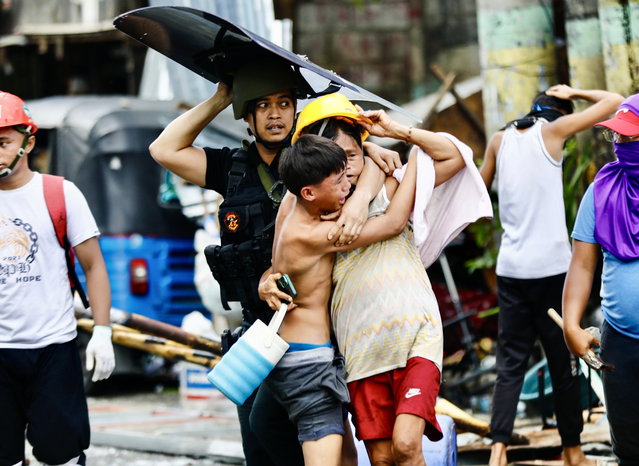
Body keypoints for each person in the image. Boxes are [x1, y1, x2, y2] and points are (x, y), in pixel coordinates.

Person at [148, 57, 399, 466]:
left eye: (284, 103)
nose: (275, 114)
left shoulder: (314, 162)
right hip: (257, 332)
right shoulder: (231, 168)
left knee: (313, 434)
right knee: (259, 443)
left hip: (314, 329)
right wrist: (222, 97)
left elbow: (364, 161)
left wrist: (370, 156)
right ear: (247, 116)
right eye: (262, 105)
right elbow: (164, 149)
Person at [288, 93, 465, 465]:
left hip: (415, 335)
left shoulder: (390, 186)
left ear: (364, 152)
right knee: (382, 459)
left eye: (351, 157)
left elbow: (453, 156)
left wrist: (400, 133)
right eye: (335, 162)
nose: (345, 170)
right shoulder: (312, 216)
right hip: (361, 353)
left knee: (406, 446)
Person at [479, 84, 623, 466]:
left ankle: (497, 451)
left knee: (510, 362)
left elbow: (479, 189)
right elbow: (614, 103)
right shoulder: (553, 131)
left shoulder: (499, 140)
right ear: (560, 112)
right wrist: (576, 90)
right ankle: (573, 453)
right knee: (563, 363)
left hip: (511, 269)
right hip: (552, 269)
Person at [268, 133, 418, 466]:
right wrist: (415, 163)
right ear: (310, 192)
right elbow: (393, 223)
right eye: (338, 183)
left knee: (347, 458)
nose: (346, 187)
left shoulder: (291, 202)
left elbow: (357, 179)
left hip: (296, 352)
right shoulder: (315, 234)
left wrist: (371, 151)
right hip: (308, 364)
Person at [0, 91, 115, 466]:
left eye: (3, 142)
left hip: (53, 348)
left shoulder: (59, 193)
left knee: (61, 454)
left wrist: (102, 331)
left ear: (28, 143)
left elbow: (94, 266)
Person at [563, 93, 639, 465]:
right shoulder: (602, 191)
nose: (621, 144)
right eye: (618, 137)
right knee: (629, 445)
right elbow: (582, 265)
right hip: (621, 342)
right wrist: (572, 324)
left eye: (631, 137)